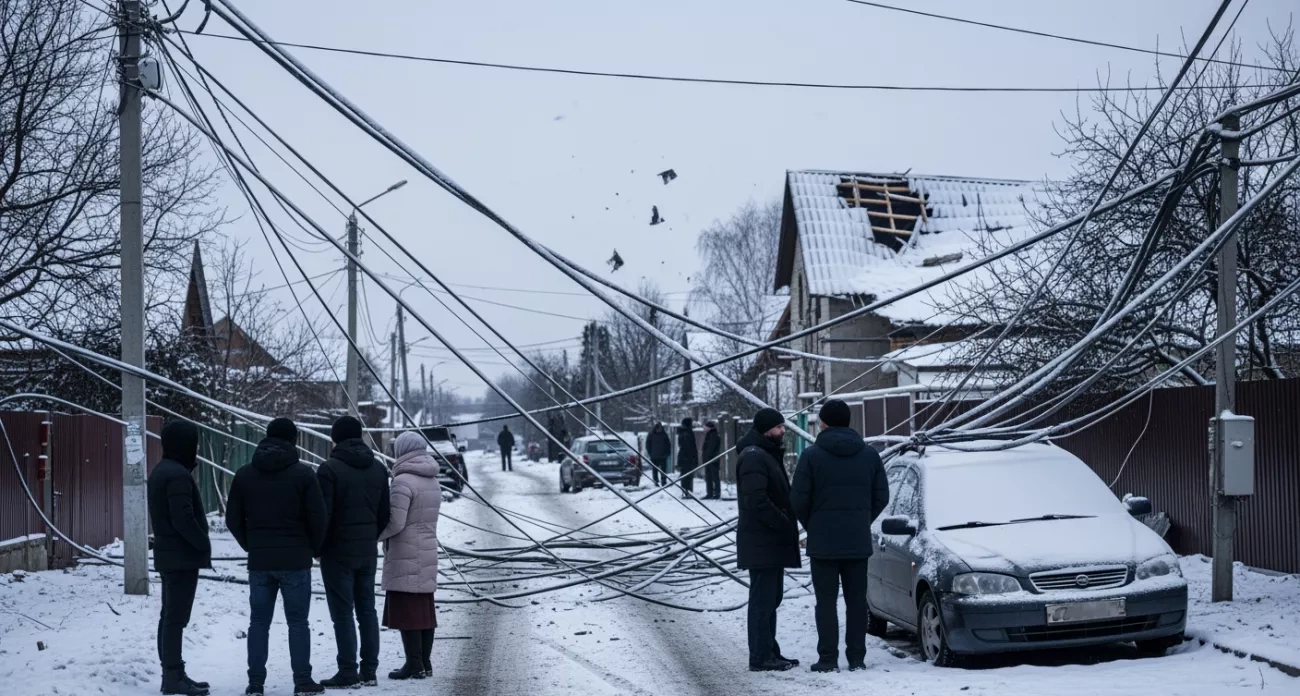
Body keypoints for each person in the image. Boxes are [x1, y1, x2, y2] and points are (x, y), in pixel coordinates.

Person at [227, 418, 328, 696]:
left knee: (258, 621)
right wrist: (312, 548)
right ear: (293, 440)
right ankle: (303, 681)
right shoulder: (304, 475)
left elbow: (232, 519)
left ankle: (256, 683)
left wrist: (251, 545)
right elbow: (319, 519)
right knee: (298, 622)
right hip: (296, 561)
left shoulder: (245, 474)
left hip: (260, 561)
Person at [791, 399, 891, 673]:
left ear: (823, 422)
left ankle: (827, 659)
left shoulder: (811, 456)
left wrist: (814, 524)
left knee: (825, 602)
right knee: (857, 603)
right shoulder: (869, 455)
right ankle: (856, 658)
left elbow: (798, 499)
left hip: (823, 543)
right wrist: (861, 519)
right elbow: (882, 495)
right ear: (849, 421)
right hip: (857, 542)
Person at [316, 416, 390, 689]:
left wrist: (319, 548)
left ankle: (348, 671)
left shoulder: (328, 470)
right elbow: (385, 514)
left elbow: (321, 515)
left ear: (335, 438)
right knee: (367, 610)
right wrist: (371, 536)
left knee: (343, 613)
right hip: (367, 550)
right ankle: (369, 670)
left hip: (337, 552)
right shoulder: (379, 468)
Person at [147, 420, 212, 696]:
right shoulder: (176, 475)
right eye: (193, 444)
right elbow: (183, 519)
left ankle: (173, 672)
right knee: (175, 618)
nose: (195, 449)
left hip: (171, 554)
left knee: (170, 616)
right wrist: (202, 544)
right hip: (180, 556)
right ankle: (172, 677)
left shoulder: (165, 470)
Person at [736, 408, 801, 672]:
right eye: (778, 427)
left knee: (771, 598)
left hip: (768, 542)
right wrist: (783, 521)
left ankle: (769, 650)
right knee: (763, 601)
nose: (783, 431)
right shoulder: (754, 457)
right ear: (766, 430)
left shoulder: (764, 453)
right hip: (762, 541)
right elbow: (756, 500)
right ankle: (761, 656)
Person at [379, 431, 442, 681]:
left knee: (407, 611)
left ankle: (413, 664)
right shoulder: (432, 479)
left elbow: (396, 523)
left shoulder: (403, 481)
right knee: (424, 610)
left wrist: (376, 535)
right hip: (427, 548)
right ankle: (424, 662)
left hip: (405, 551)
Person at [676, 417, 699, 499]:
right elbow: (689, 447)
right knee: (687, 475)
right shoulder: (687, 433)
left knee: (686, 475)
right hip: (687, 457)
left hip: (685, 457)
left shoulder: (685, 432)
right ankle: (687, 491)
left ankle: (686, 490)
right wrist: (693, 457)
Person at [645, 422, 671, 488]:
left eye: (660, 428)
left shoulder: (664, 435)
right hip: (654, 455)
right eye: (658, 428)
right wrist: (650, 453)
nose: (659, 430)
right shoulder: (651, 435)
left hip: (663, 456)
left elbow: (668, 445)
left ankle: (663, 481)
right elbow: (648, 444)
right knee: (655, 470)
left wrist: (667, 453)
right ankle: (656, 481)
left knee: (663, 470)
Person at [701, 420, 722, 500]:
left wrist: (707, 457)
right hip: (709, 460)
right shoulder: (709, 435)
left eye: (705, 427)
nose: (704, 428)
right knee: (709, 477)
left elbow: (710, 448)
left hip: (713, 460)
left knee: (714, 477)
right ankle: (709, 493)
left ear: (709, 428)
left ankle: (716, 493)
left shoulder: (714, 435)